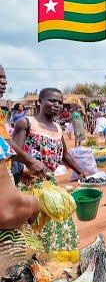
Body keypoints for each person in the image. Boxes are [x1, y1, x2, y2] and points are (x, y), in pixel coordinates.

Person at [12, 88, 86, 253]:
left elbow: (65, 155)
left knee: (61, 226)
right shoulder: (26, 123)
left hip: (50, 185)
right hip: (28, 184)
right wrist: (30, 163)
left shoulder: (58, 129)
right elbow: (13, 151)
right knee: (32, 230)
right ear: (40, 102)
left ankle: (52, 265)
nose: (57, 105)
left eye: (60, 102)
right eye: (52, 101)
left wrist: (82, 172)